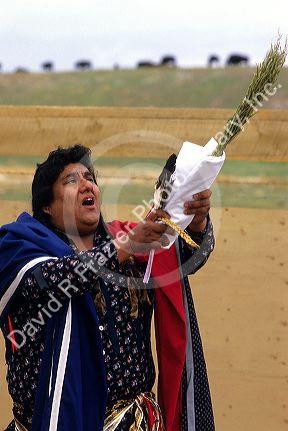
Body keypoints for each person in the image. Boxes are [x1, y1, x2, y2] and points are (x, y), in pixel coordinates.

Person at [0, 145, 215, 431]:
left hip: (134, 422)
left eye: (89, 178)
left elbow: (180, 259)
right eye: (71, 181)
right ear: (47, 206)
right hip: (50, 422)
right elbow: (56, 279)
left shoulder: (127, 244)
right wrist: (127, 246)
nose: (86, 185)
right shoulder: (21, 249)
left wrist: (195, 220)